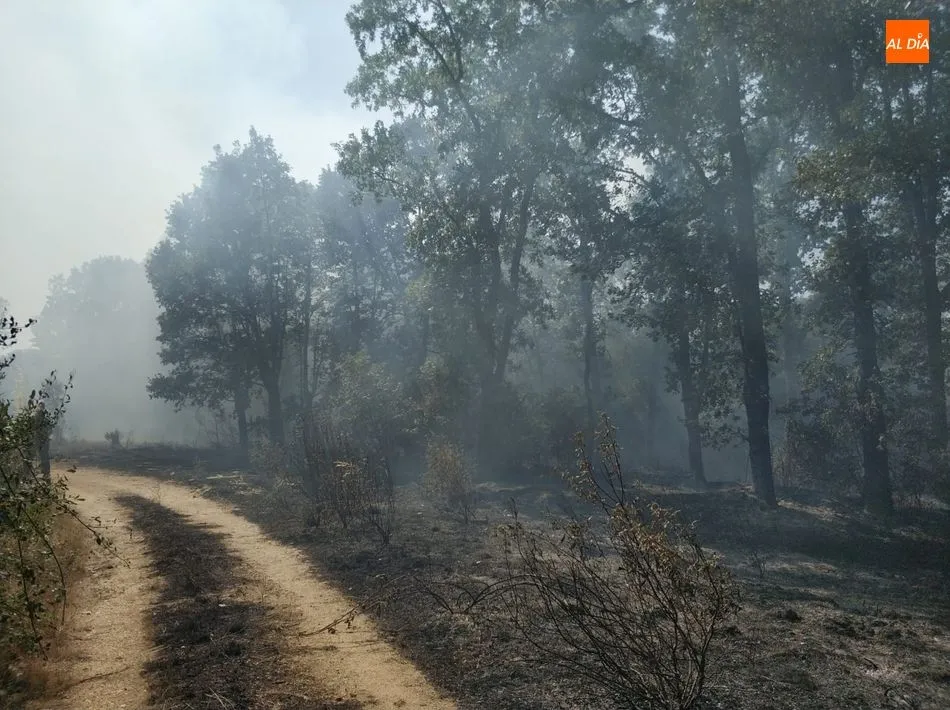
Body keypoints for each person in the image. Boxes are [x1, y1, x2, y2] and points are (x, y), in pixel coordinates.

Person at [33, 401, 52, 482]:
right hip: (41, 440)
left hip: (43, 440)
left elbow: (50, 429)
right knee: (42, 456)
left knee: (44, 456)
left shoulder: (40, 416)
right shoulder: (40, 416)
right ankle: (45, 472)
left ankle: (46, 473)